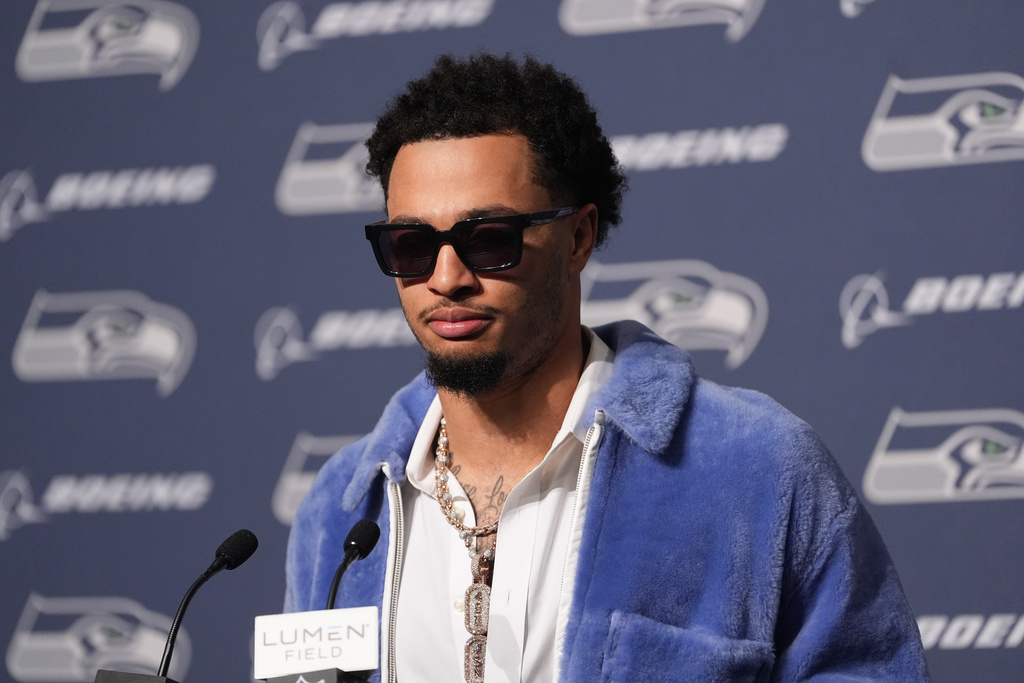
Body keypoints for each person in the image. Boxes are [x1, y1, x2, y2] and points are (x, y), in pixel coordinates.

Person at [285, 53, 929, 683]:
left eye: (490, 240)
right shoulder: (340, 510)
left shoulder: (757, 470)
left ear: (579, 237)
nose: (447, 279)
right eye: (412, 245)